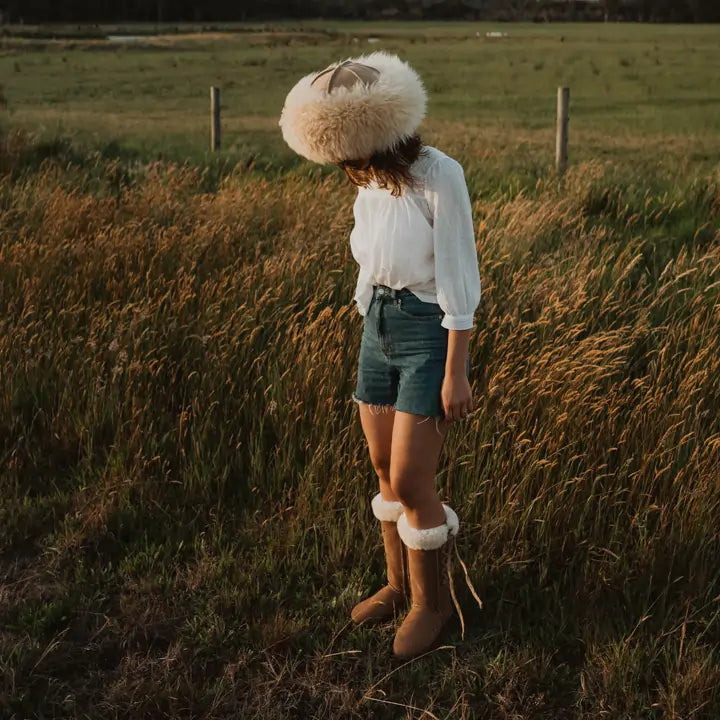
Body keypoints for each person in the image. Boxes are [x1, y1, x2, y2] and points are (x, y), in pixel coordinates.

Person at [279, 51, 482, 659]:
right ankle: (397, 586)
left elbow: (458, 276)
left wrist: (456, 370)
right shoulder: (369, 181)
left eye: (348, 148)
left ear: (376, 132)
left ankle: (432, 605)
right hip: (379, 325)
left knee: (415, 479)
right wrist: (369, 314)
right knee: (382, 470)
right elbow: (370, 254)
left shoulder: (439, 174)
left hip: (427, 331)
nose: (343, 163)